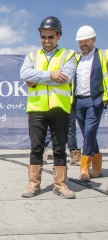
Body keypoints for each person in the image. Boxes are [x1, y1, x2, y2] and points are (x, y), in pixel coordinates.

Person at [20, 16, 76, 199]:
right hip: (37, 109)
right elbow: (24, 73)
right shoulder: (32, 56)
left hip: (60, 108)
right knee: (36, 147)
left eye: (50, 37)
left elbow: (66, 77)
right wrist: (51, 74)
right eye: (43, 36)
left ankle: (60, 185)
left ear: (58, 36)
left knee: (60, 148)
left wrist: (37, 78)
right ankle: (33, 185)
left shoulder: (68, 55)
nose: (46, 40)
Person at [73, 26, 108, 181]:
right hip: (78, 101)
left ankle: (84, 169)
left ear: (93, 40)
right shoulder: (76, 58)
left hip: (95, 100)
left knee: (89, 132)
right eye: (81, 42)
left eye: (86, 41)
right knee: (89, 134)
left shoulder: (103, 56)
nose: (83, 44)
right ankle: (98, 168)